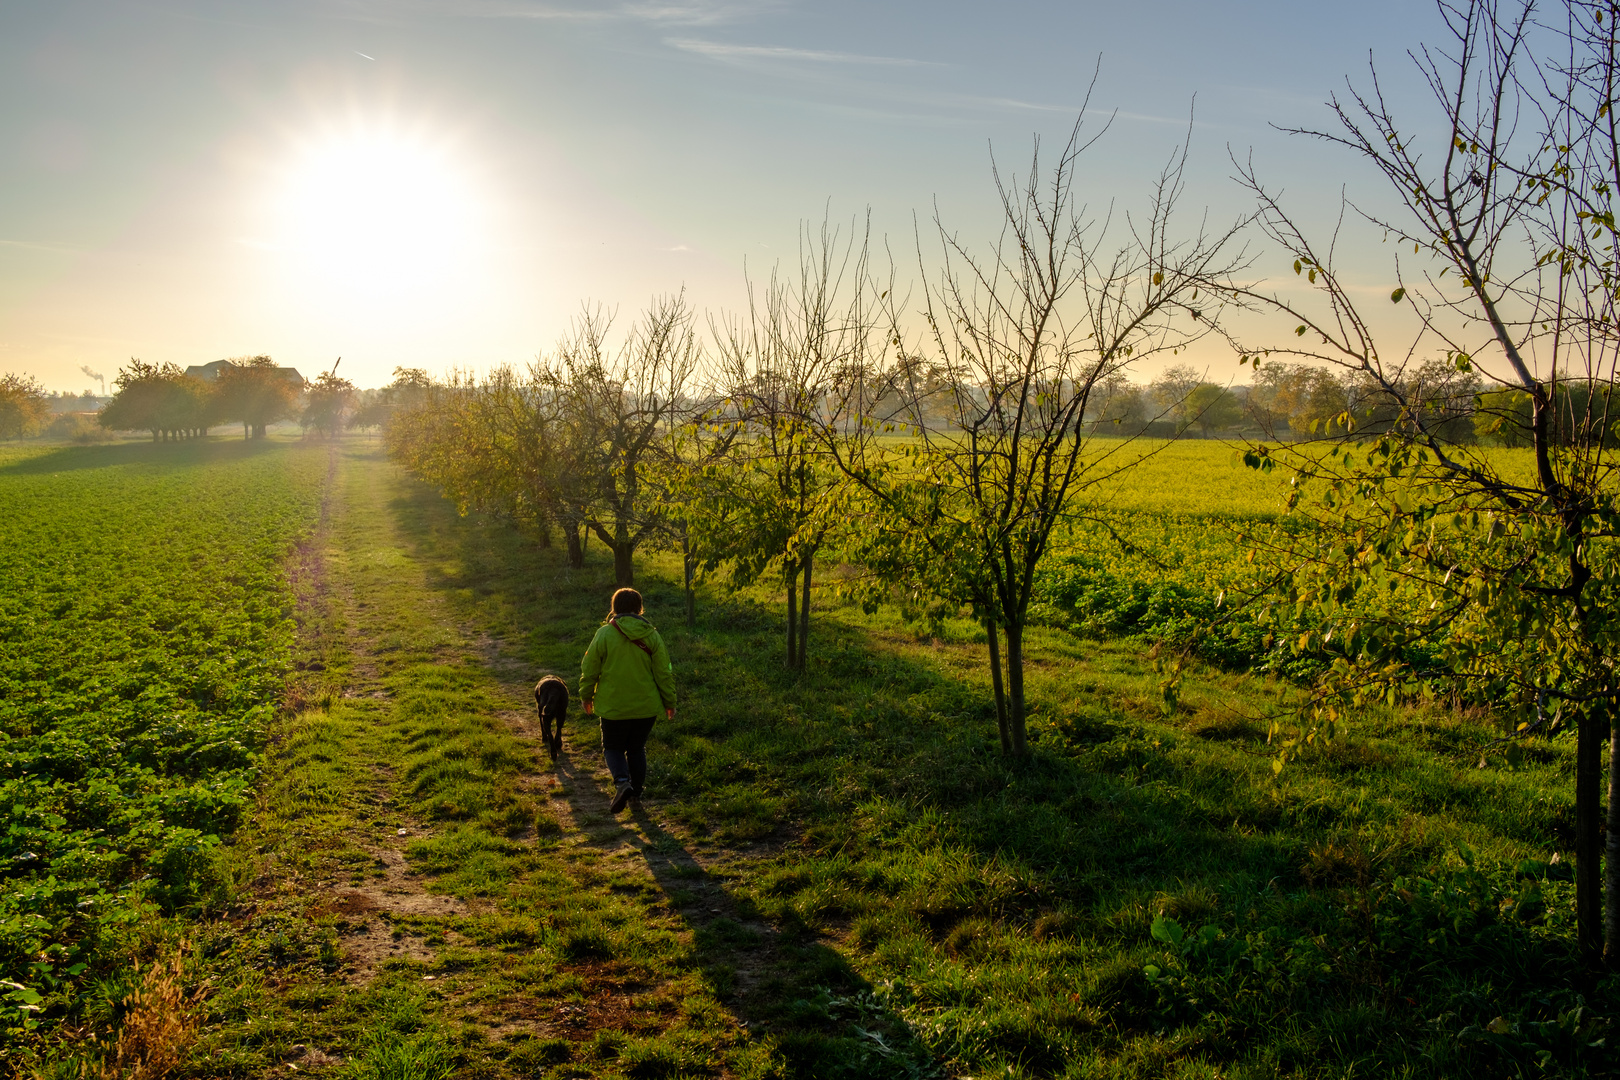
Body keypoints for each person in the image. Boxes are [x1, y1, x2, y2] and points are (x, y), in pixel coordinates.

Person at [578, 587, 675, 814]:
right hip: (645, 708)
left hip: (613, 708)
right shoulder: (652, 635)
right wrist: (670, 702)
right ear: (639, 608)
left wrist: (586, 695)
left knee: (612, 747)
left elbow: (590, 668)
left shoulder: (604, 634)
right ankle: (637, 792)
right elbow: (664, 672)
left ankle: (622, 783)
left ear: (614, 608)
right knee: (636, 748)